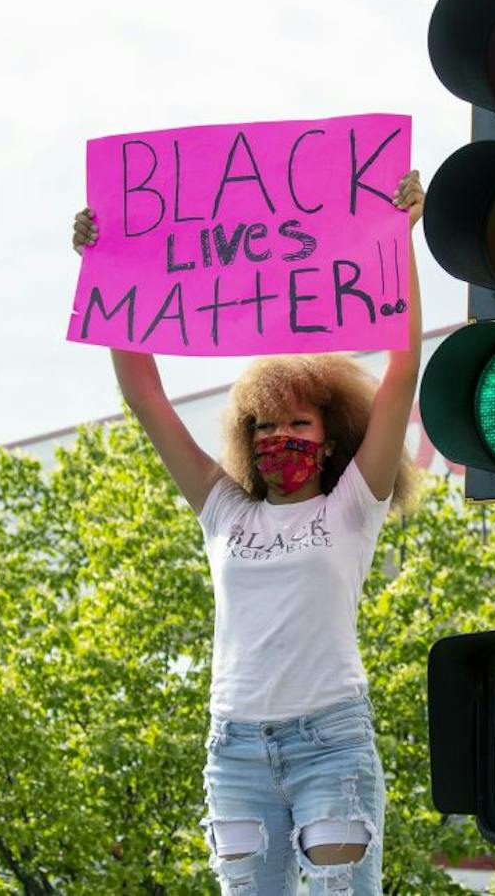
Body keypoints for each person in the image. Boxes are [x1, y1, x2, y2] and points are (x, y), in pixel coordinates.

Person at [70, 169, 425, 895]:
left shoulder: (354, 503)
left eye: (298, 423)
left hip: (331, 744)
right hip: (233, 751)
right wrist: (102, 263)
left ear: (329, 439)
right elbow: (145, 395)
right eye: (264, 425)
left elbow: (401, 372)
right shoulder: (224, 508)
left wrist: (401, 240)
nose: (279, 437)